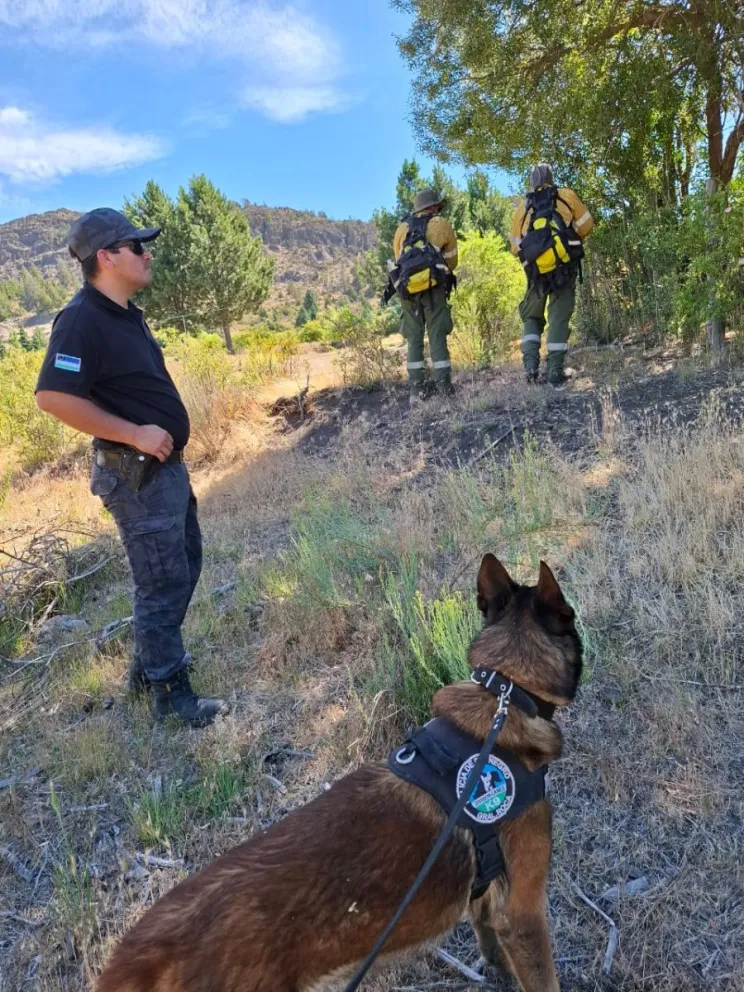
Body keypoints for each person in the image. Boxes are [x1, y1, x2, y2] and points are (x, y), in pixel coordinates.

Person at [35, 208, 228, 728]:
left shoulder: (124, 314)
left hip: (160, 471)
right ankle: (169, 694)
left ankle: (147, 674)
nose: (148, 253)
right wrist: (135, 433)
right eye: (137, 246)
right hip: (134, 472)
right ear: (106, 256)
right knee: (161, 582)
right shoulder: (81, 319)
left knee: (182, 566)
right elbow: (53, 396)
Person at [510, 164, 594, 386]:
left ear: (532, 182)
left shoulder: (522, 209)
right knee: (558, 317)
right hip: (564, 268)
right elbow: (587, 225)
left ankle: (530, 368)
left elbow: (515, 247)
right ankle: (555, 373)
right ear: (551, 178)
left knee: (531, 316)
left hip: (536, 273)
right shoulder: (566, 196)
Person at [391, 189, 458, 401]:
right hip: (434, 288)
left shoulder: (401, 229)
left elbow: (398, 259)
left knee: (414, 338)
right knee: (437, 334)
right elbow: (452, 260)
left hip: (407, 291)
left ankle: (416, 390)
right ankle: (444, 388)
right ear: (433, 206)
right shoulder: (441, 224)